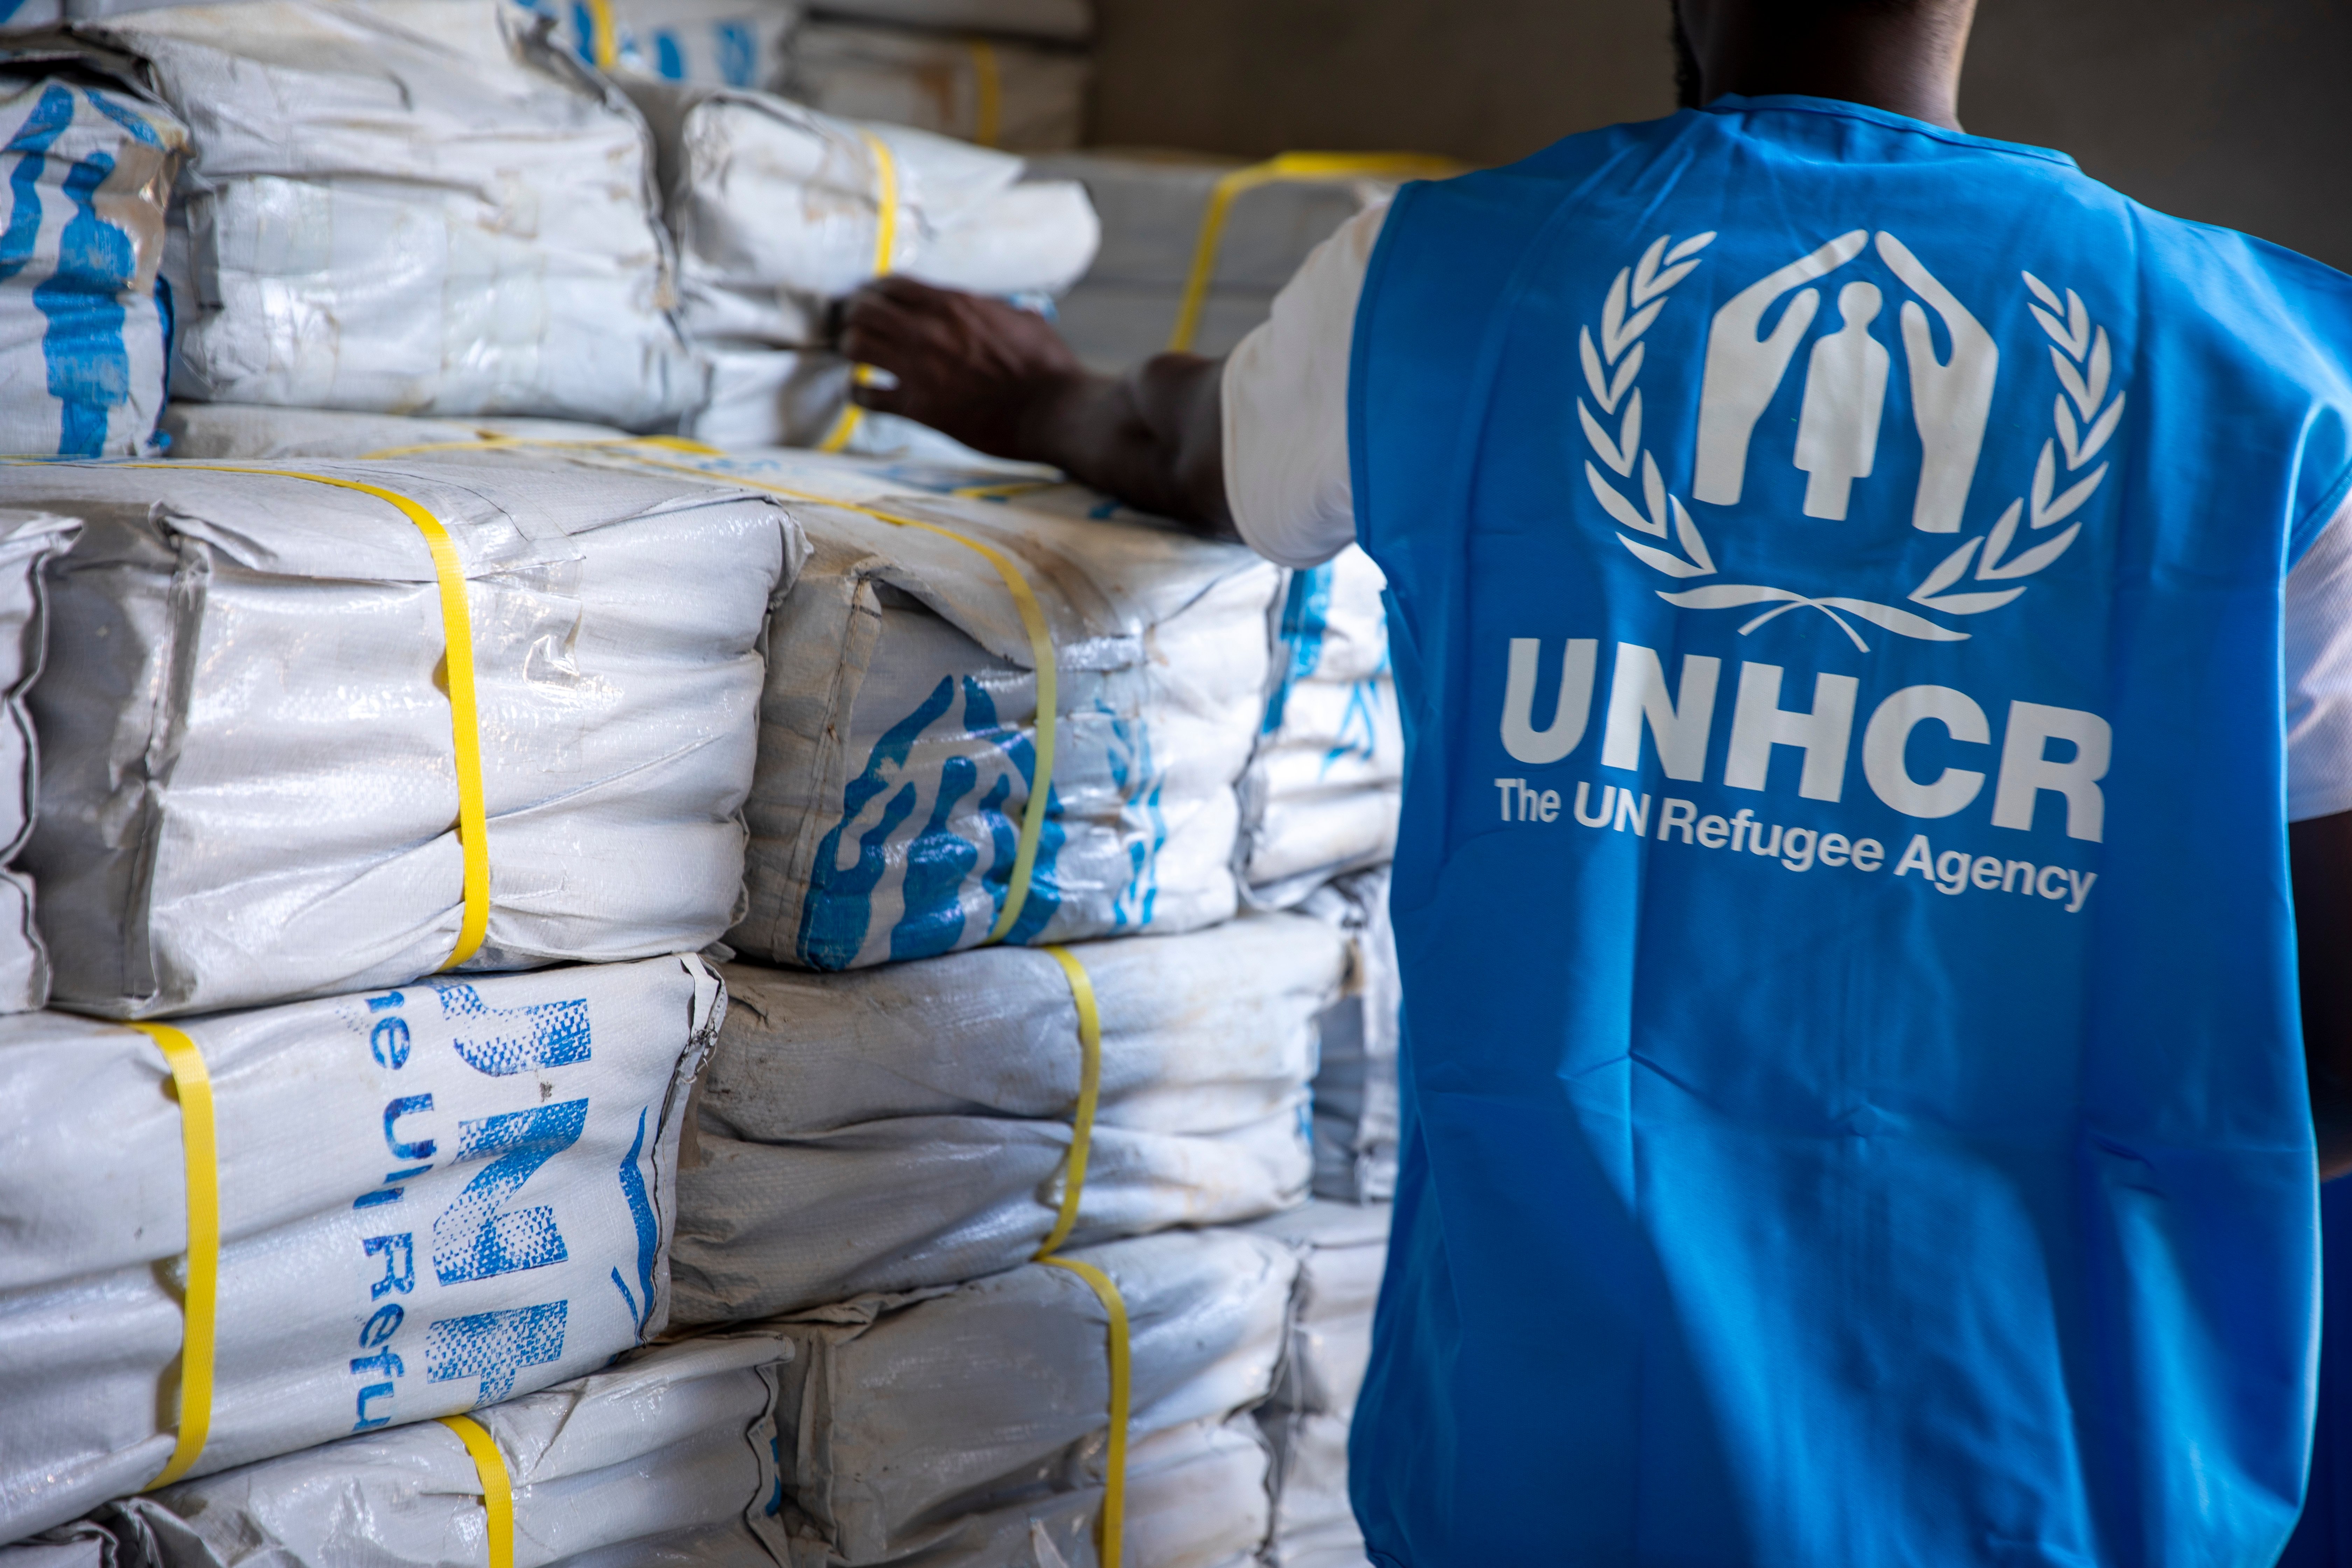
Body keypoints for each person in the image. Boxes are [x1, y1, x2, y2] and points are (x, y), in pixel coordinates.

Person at [836, 0, 2352, 1559]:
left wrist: (1032, 402)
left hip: (1564, 1465)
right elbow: (2337, 1041)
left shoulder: (1441, 279)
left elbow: (1194, 449)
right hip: (2073, 1469)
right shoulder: (2285, 383)